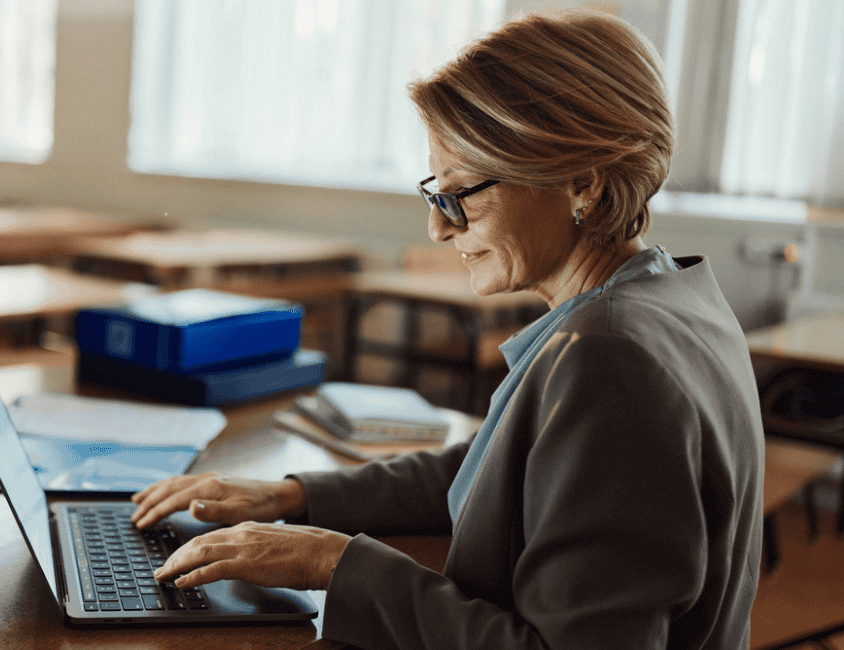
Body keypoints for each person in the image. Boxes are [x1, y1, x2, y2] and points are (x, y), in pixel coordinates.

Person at [130, 10, 764, 649]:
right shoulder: (672, 296)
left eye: (462, 193)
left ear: (583, 182)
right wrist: (291, 498)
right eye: (436, 192)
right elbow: (498, 470)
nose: (438, 227)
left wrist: (332, 564)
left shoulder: (609, 356)